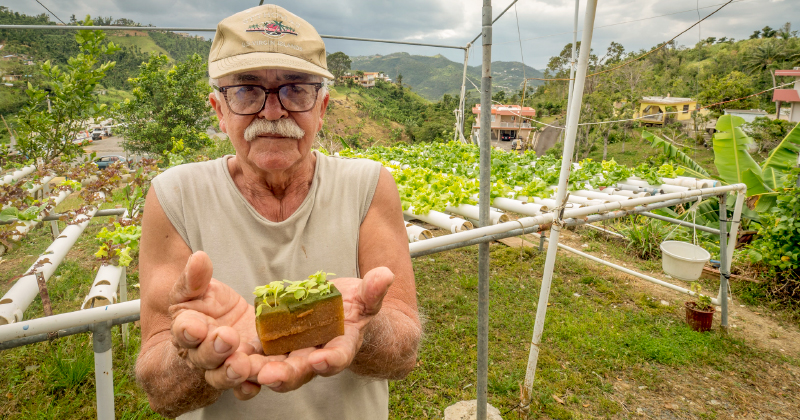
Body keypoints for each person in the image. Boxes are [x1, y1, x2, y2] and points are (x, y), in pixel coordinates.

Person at [134, 4, 421, 419]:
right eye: (247, 90)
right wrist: (198, 355)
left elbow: (402, 353)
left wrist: (351, 321)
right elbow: (160, 388)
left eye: (296, 89)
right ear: (219, 110)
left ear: (321, 109)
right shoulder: (174, 195)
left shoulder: (369, 185)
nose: (272, 112)